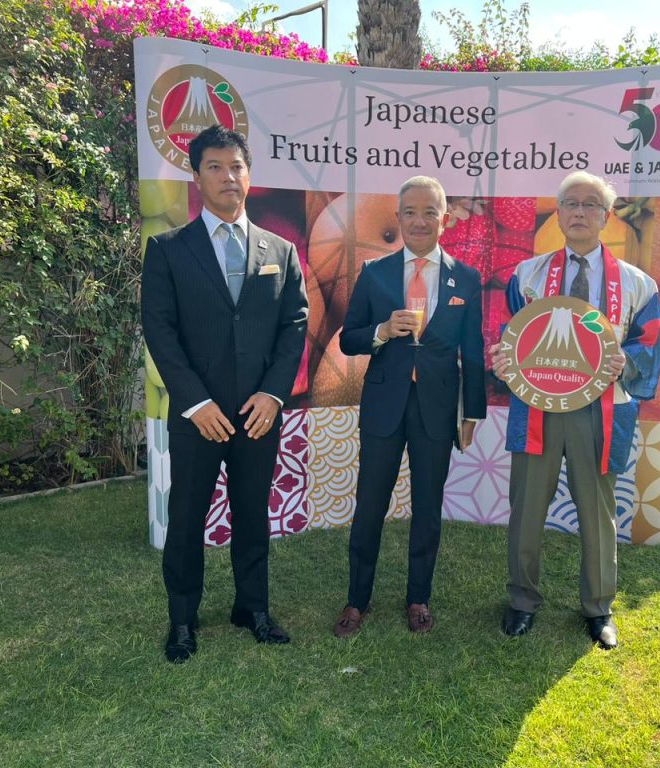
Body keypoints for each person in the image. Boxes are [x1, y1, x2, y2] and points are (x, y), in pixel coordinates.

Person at [142, 124, 309, 663]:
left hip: (259, 414)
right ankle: (182, 620)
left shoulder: (280, 250)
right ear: (196, 176)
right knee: (187, 518)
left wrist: (273, 395)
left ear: (249, 174)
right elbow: (160, 331)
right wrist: (194, 402)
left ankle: (252, 608)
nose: (227, 176)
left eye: (236, 166)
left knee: (253, 514)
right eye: (214, 166)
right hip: (198, 415)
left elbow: (294, 326)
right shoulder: (168, 250)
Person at [489, 171, 660, 649]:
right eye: (571, 203)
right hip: (538, 408)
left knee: (597, 510)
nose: (581, 212)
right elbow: (508, 334)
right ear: (560, 213)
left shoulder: (637, 284)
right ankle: (522, 600)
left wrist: (626, 359)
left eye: (591, 204)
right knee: (526, 508)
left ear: (606, 217)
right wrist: (502, 359)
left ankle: (598, 607)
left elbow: (650, 346)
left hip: (601, 411)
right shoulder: (526, 276)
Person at [332, 176, 487, 637]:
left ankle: (418, 597)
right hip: (384, 405)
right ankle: (357, 600)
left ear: (445, 219)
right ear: (398, 218)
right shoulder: (374, 273)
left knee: (427, 507)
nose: (419, 221)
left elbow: (473, 351)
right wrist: (381, 331)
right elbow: (348, 339)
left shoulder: (467, 278)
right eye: (410, 212)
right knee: (369, 506)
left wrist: (472, 413)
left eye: (429, 212)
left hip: (436, 410)